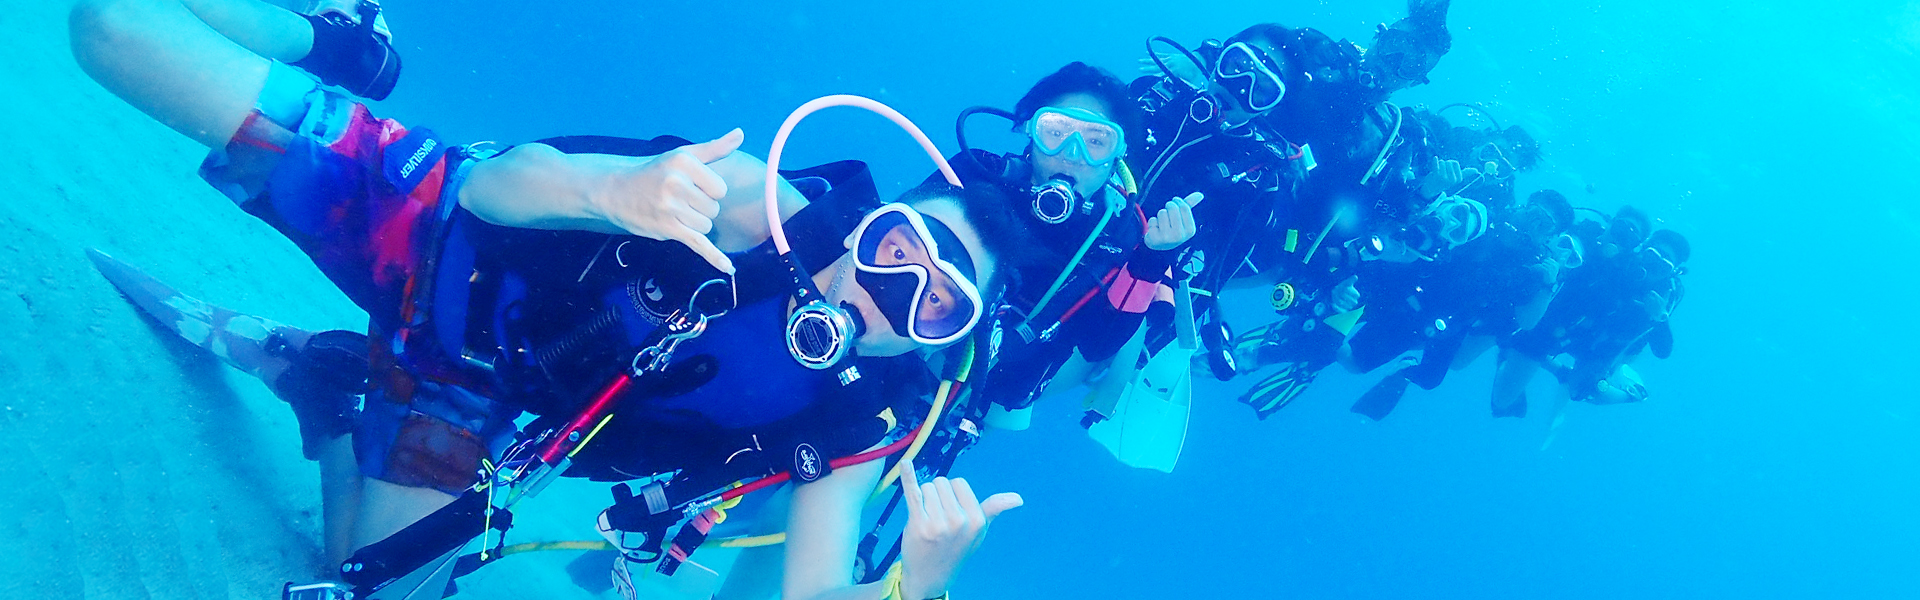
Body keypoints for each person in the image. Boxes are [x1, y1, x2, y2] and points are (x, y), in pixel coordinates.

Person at [69, 2, 1025, 599]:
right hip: (434, 227)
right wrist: (610, 193)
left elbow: (813, 593)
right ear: (874, 221)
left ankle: (333, 391)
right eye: (902, 249)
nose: (889, 293)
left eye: (935, 306)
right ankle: (338, 41)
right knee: (113, 30)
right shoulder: (757, 204)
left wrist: (917, 582)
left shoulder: (863, 415)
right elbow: (495, 184)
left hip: (464, 395)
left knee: (371, 592)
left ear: (939, 343)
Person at [948, 62, 1198, 424]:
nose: (1072, 154)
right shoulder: (972, 175)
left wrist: (1152, 259)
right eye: (1056, 131)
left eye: (1096, 141)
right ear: (1030, 133)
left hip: (993, 394)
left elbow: (1098, 342)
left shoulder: (1119, 235)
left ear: (1116, 157)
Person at [1129, 23, 1316, 380]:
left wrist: (1149, 348)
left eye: (1261, 89)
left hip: (1136, 282)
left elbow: (1208, 283)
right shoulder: (1154, 97)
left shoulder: (1256, 182)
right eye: (1237, 65)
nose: (1239, 87)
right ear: (1218, 60)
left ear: (1270, 108)